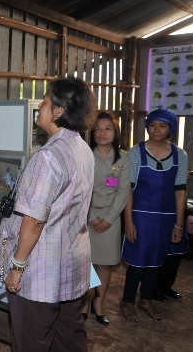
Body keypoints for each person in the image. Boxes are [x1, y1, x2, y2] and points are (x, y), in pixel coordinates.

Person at [0, 77, 97, 352]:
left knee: (31, 342)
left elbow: (35, 219)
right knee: (68, 338)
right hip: (71, 264)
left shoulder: (49, 156)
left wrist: (17, 267)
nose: (39, 105)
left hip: (41, 271)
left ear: (59, 111)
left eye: (45, 100)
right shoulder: (82, 148)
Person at [120, 108, 187, 321]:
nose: (156, 129)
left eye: (163, 125)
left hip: (166, 219)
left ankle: (145, 299)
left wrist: (178, 225)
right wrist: (128, 222)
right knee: (138, 262)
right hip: (140, 216)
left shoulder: (180, 155)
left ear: (171, 129)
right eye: (152, 125)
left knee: (157, 262)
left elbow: (180, 192)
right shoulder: (136, 152)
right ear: (147, 126)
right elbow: (128, 190)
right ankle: (127, 301)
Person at [81, 112, 130, 325]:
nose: (102, 132)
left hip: (111, 219)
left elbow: (123, 192)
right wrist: (91, 216)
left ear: (115, 132)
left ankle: (98, 305)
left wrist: (109, 219)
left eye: (107, 128)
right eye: (98, 128)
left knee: (105, 265)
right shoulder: (84, 155)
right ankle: (84, 304)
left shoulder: (123, 158)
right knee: (86, 263)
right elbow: (80, 190)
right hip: (86, 218)